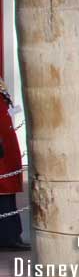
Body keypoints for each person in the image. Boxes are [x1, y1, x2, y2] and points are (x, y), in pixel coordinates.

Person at [0, 77, 28, 251]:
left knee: (7, 194)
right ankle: (7, 236)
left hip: (7, 147)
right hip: (2, 148)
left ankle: (11, 235)